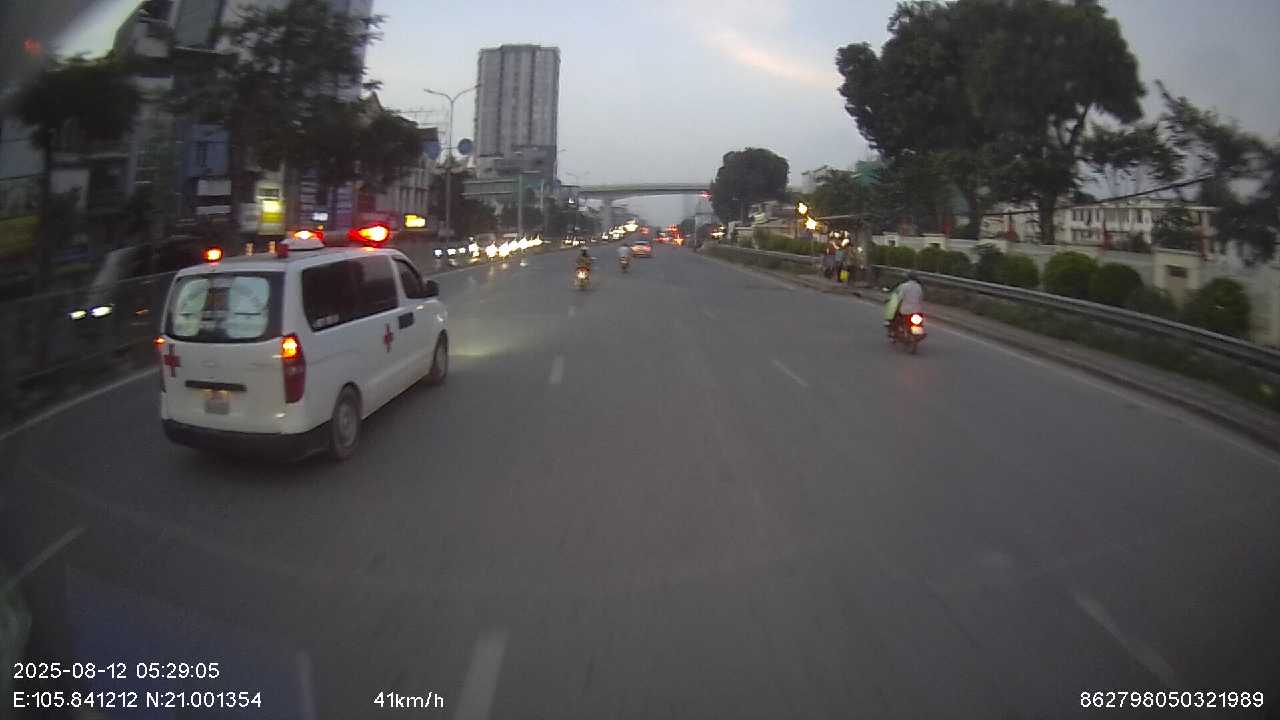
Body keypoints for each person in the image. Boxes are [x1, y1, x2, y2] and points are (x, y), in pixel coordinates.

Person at [886, 271, 924, 335]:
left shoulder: (904, 286)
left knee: (895, 315)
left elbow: (899, 297)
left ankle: (894, 330)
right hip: (917, 310)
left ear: (908, 278)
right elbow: (920, 298)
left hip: (905, 310)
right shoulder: (919, 287)